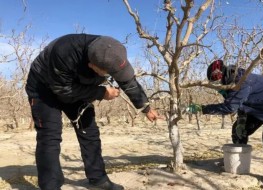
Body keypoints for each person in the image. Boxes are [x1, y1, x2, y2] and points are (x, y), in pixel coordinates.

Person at [25, 34, 161, 190]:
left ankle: (98, 178)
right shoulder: (64, 51)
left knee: (90, 132)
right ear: (92, 66)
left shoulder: (112, 53)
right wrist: (101, 93)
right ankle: (50, 186)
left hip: (77, 87)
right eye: (106, 73)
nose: (110, 76)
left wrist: (146, 108)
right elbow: (63, 90)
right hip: (44, 89)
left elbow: (128, 82)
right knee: (50, 136)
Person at [186, 60, 263, 190]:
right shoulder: (231, 80)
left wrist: (202, 109)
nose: (217, 86)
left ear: (223, 76)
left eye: (217, 83)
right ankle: (236, 158)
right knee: (239, 130)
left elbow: (230, 107)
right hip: (256, 106)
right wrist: (242, 118)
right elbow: (243, 101)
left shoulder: (240, 82)